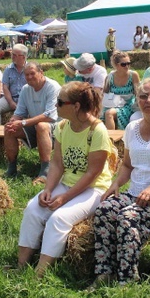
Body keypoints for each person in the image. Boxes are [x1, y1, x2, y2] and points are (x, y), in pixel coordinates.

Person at [90, 78, 150, 288]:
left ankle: (126, 280)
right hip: (136, 191)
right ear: (137, 100)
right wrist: (116, 184)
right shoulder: (132, 128)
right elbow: (127, 165)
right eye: (143, 96)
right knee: (105, 210)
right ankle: (104, 273)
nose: (149, 100)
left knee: (128, 217)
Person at [15, 82, 113, 277]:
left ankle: (39, 273)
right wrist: (48, 190)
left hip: (95, 188)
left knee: (58, 219)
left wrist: (65, 197)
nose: (56, 107)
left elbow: (93, 172)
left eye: (60, 102)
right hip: (68, 182)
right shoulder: (62, 126)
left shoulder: (98, 130)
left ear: (75, 106)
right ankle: (20, 266)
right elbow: (57, 162)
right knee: (33, 209)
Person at [3, 63, 61, 183]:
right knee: (8, 128)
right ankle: (12, 167)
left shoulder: (52, 87)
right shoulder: (25, 89)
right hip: (34, 124)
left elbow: (49, 116)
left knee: (42, 126)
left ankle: (45, 171)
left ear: (41, 73)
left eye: (32, 74)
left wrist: (23, 122)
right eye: (26, 74)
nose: (29, 77)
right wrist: (13, 121)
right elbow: (19, 112)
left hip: (57, 127)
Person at [0, 44, 27, 125]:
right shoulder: (8, 69)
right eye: (12, 54)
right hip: (10, 98)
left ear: (23, 57)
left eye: (15, 55)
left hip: (26, 100)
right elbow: (5, 87)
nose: (12, 57)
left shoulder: (30, 69)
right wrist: (10, 102)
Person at [102, 51, 139, 130]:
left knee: (109, 114)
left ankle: (111, 139)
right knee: (100, 114)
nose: (127, 66)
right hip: (112, 103)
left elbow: (138, 93)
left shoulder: (133, 75)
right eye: (123, 64)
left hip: (128, 105)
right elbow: (105, 94)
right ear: (116, 65)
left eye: (128, 63)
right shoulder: (109, 77)